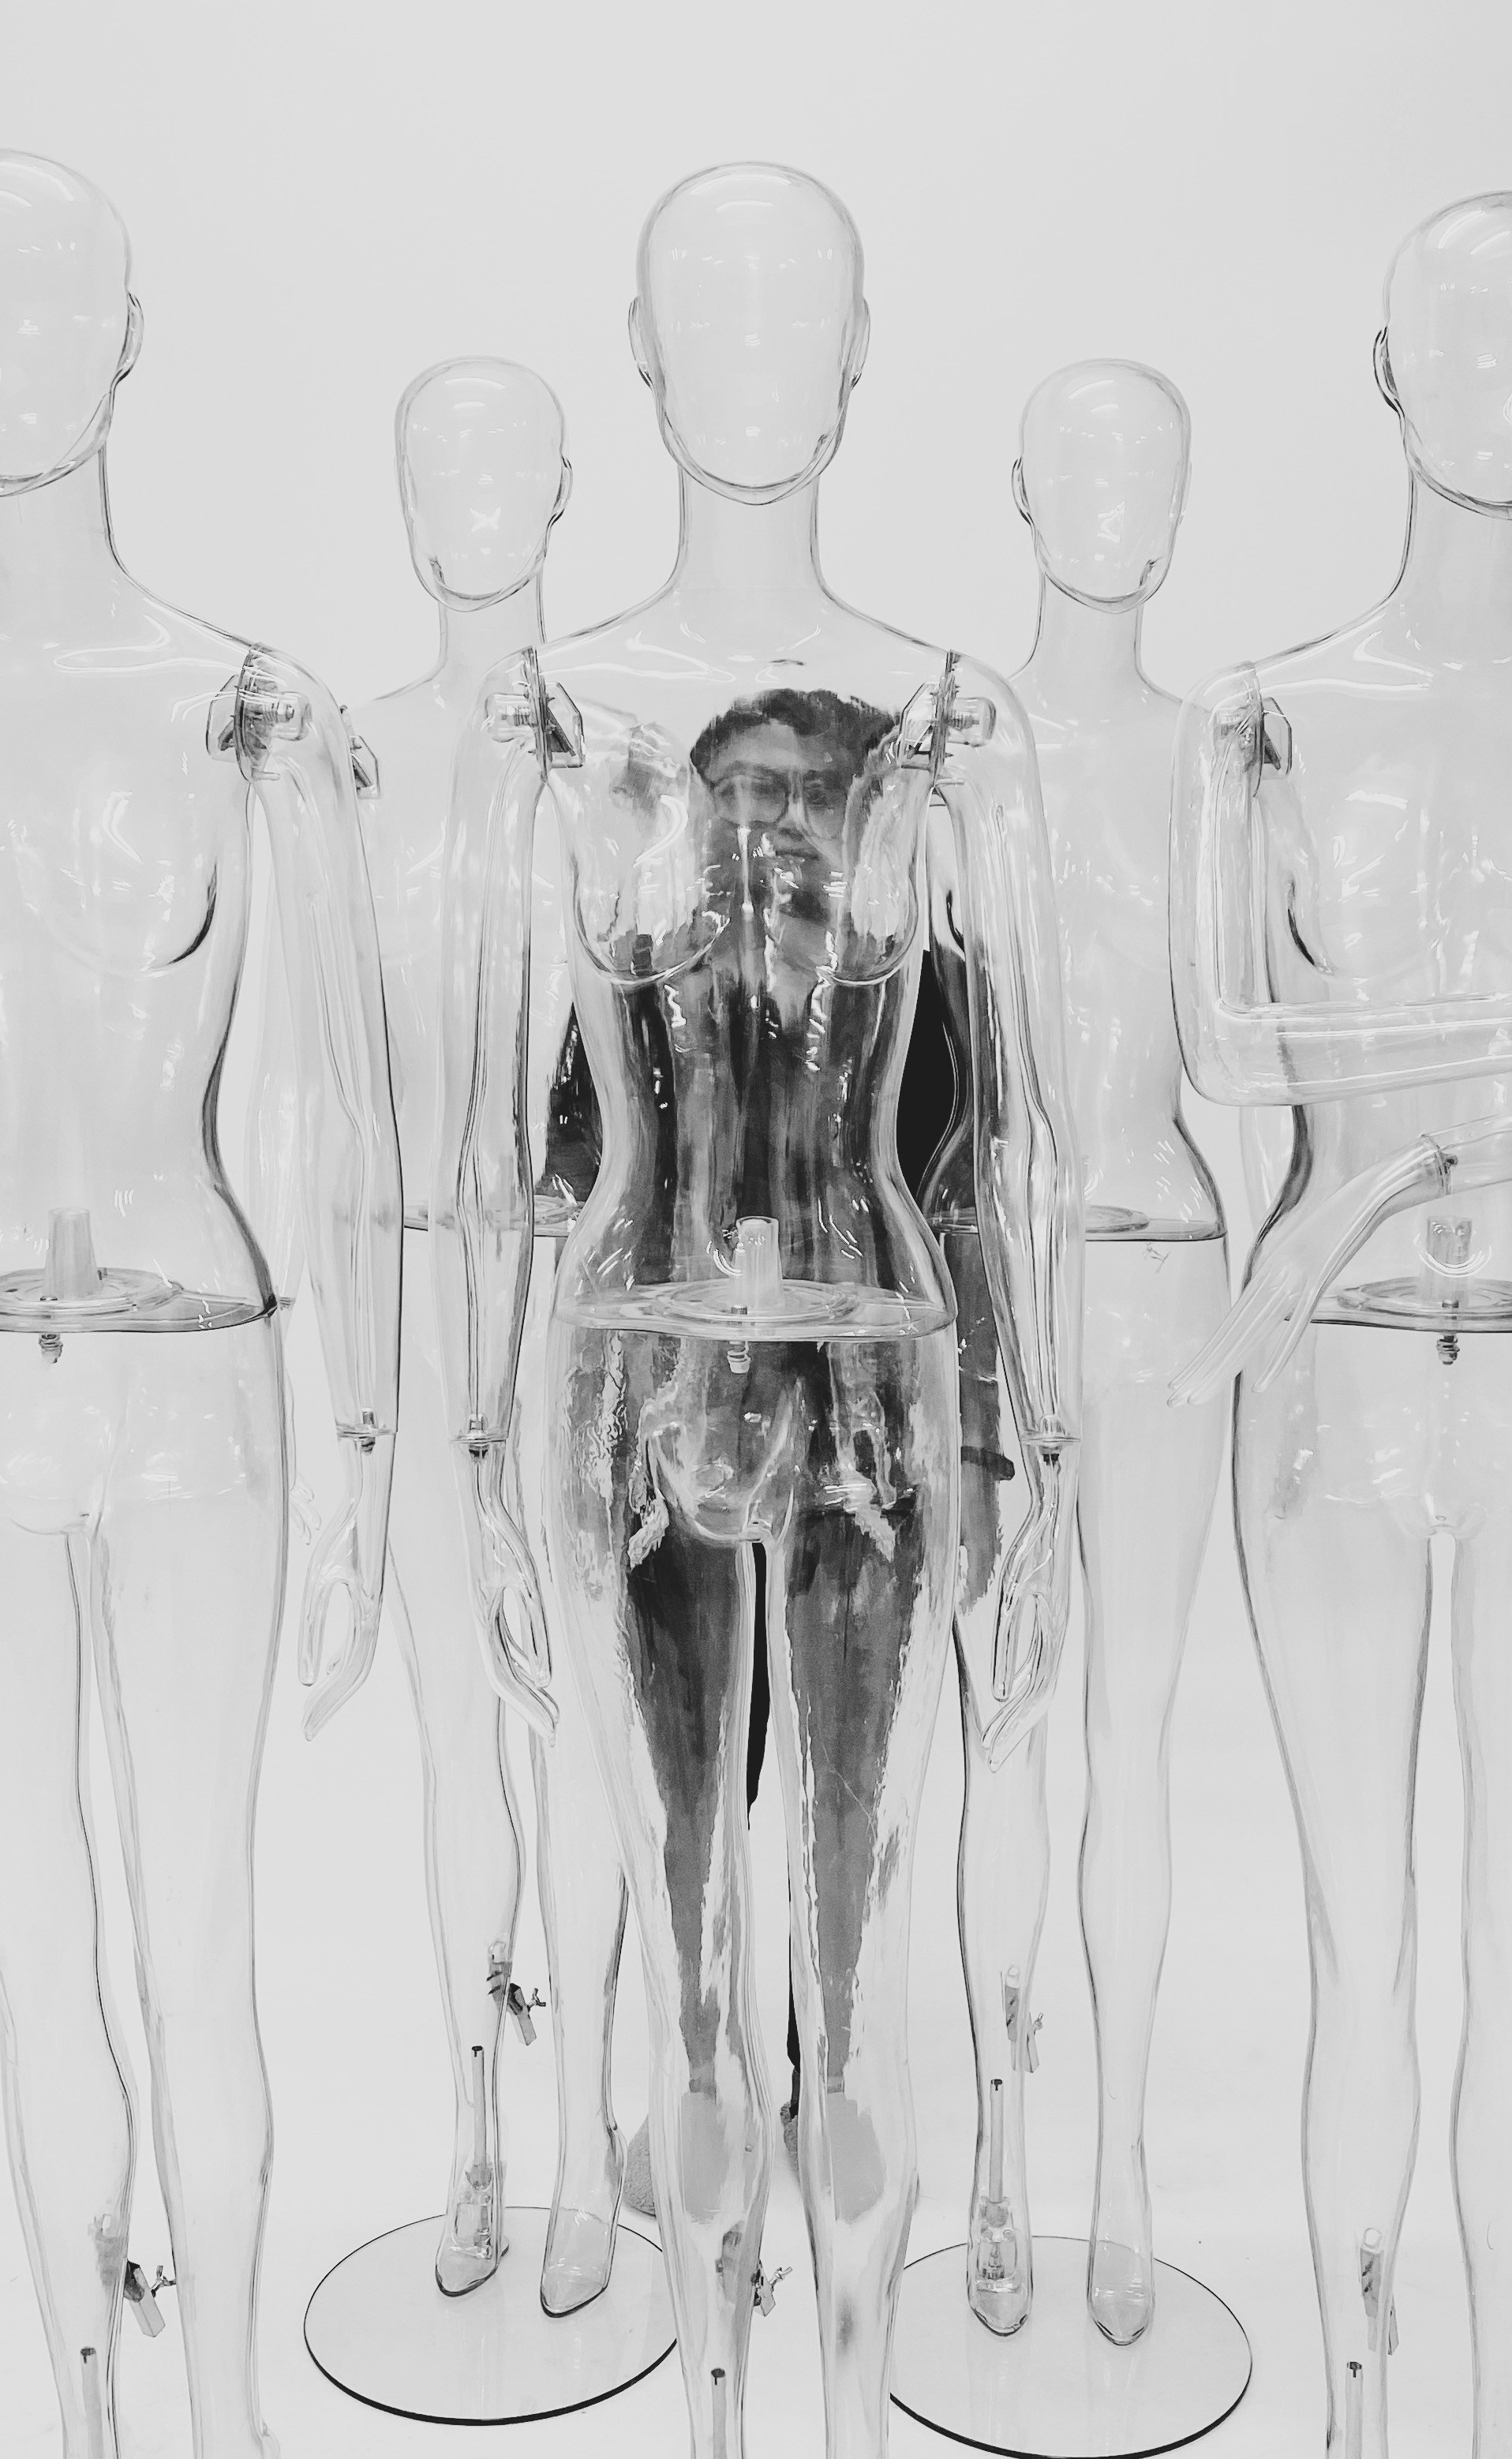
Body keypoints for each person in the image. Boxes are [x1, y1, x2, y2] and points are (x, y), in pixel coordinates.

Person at [432, 163, 1081, 2459]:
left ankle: (843, 2403)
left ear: (863, 353)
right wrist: (482, 1471)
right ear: (634, 350)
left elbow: (982, 1157)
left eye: (798, 314)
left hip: (881, 1399)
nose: (751, 358)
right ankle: (716, 2394)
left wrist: (1025, 1451)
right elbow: (532, 1166)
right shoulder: (567, 729)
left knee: (853, 1964)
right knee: (687, 1968)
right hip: (638, 1392)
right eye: (702, 315)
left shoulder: (945, 734)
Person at [0, 154, 399, 2459]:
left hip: (199, 1393)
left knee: (195, 1935)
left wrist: (365, 1453)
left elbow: (340, 1125)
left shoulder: (245, 711)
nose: (21, 345)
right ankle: (81, 2413)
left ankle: (225, 2416)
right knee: (24, 1941)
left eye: (59, 301)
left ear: (132, 340)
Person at [1170, 194, 1512, 2459]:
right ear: (1382, 372)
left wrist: (1394, 1087)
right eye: (1452, 336)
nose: (1490, 376)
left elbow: (1295, 1047)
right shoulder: (1272, 721)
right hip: (1327, 1367)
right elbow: (1224, 1040)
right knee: (1356, 1942)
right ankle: (1367, 2418)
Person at [249, 359, 631, 2308]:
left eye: (499, 467)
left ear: (564, 491)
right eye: (431, 467)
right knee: (452, 1730)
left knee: (588, 1721)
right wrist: (344, 1422)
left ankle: (590, 2147)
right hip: (403, 1305)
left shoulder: (610, 763)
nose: (464, 499)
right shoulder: (357, 765)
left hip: (571, 1296)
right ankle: (477, 2115)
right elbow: (316, 1101)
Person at [923, 361, 1229, 2344]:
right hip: (997, 1291)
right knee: (998, 1734)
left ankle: (1117, 2160)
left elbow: (1262, 1052)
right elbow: (923, 1072)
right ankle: (993, 2159)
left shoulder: (1221, 757)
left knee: (1134, 1726)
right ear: (1019, 491)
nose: (1122, 501)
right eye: (1086, 467)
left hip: (1174, 1277)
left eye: (1155, 471)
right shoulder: (959, 754)